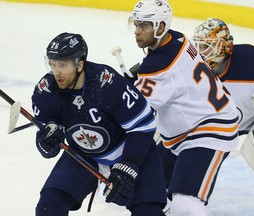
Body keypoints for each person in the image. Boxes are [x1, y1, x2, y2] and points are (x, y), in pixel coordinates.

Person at [31, 32, 167, 216]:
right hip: (85, 154)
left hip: (129, 151)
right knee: (49, 206)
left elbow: (143, 126)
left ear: (80, 64)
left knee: (148, 212)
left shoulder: (106, 83)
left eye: (62, 65)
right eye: (53, 64)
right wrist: (47, 142)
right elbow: (49, 137)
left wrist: (129, 166)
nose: (56, 72)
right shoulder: (46, 90)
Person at [127, 1, 239, 215]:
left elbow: (138, 112)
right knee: (147, 188)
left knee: (185, 204)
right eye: (136, 25)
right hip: (185, 132)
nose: (137, 32)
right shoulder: (177, 39)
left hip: (209, 131)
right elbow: (172, 75)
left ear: (160, 27)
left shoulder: (157, 66)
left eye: (144, 26)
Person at [191, 18, 254, 196]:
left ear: (224, 47)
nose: (201, 53)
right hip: (216, 130)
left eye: (207, 46)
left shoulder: (251, 61)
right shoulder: (191, 68)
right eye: (199, 46)